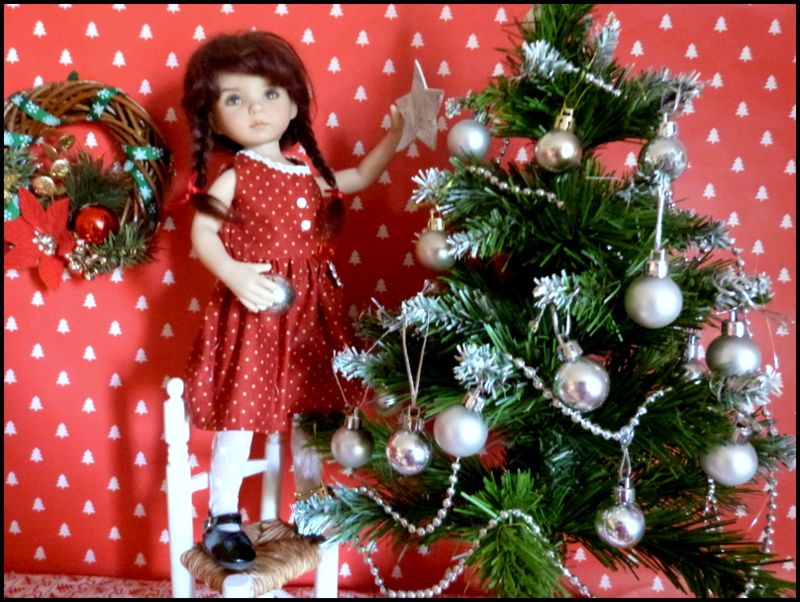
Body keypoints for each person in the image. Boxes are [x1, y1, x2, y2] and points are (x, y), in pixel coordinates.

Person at [181, 30, 404, 571]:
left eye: (270, 93)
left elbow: (361, 175)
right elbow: (203, 234)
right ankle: (223, 517)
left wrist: (397, 134)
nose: (256, 110)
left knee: (311, 412)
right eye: (235, 99)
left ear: (294, 103)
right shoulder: (236, 176)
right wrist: (233, 272)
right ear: (213, 118)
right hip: (256, 313)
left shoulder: (306, 173)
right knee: (239, 416)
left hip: (310, 314)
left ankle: (310, 506)